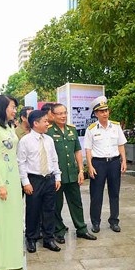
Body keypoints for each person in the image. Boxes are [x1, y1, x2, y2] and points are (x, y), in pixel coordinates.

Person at [46, 103, 96, 243]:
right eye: (60, 114)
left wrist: (81, 170)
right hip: (56, 176)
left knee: (76, 202)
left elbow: (77, 151)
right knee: (56, 204)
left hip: (72, 173)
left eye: (65, 113)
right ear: (53, 115)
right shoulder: (48, 132)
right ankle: (59, 231)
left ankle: (81, 229)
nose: (63, 116)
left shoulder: (72, 130)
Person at [0, 95, 24, 270]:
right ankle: (1, 260)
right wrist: (0, 184)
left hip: (13, 173)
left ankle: (13, 258)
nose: (15, 110)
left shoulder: (10, 127)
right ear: (3, 108)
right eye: (12, 107)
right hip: (0, 175)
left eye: (15, 107)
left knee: (13, 217)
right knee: (1, 218)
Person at [18, 110, 62, 253]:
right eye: (45, 121)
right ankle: (31, 238)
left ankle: (48, 238)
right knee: (33, 210)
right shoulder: (25, 141)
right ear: (35, 123)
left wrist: (57, 177)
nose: (47, 124)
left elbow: (54, 159)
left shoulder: (48, 140)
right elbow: (21, 163)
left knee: (49, 210)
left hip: (49, 179)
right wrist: (25, 182)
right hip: (34, 180)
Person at [84, 96, 127, 233]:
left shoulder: (116, 126)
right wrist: (89, 166)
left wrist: (124, 160)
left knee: (114, 193)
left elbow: (121, 145)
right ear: (96, 114)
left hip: (114, 162)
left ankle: (114, 221)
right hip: (98, 164)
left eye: (106, 110)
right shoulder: (91, 129)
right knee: (96, 195)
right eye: (101, 111)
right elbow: (88, 149)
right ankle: (95, 222)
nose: (104, 113)